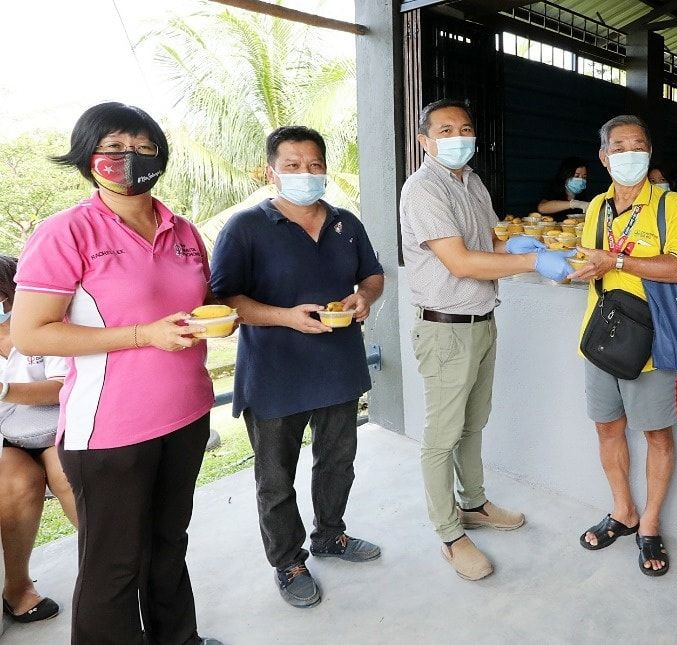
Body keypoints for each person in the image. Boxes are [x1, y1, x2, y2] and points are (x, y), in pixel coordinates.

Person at [11, 102, 224, 645]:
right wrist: (141, 335)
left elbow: (201, 302)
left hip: (186, 416)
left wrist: (217, 318)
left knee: (167, 545)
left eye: (144, 148)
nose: (131, 158)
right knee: (113, 565)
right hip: (108, 431)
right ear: (88, 158)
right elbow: (32, 332)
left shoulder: (182, 230)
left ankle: (179, 639)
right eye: (114, 148)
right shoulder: (66, 233)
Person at [210, 126, 384, 608]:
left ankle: (330, 535)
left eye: (314, 165)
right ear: (271, 171)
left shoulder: (346, 223)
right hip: (274, 373)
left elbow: (372, 275)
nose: (305, 173)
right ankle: (288, 560)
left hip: (338, 367)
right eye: (292, 165)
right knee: (275, 476)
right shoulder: (245, 227)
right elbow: (224, 298)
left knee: (338, 463)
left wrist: (363, 297)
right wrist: (285, 317)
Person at [399, 98, 572, 582]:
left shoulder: (470, 181)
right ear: (425, 141)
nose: (458, 137)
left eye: (466, 128)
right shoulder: (423, 190)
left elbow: (484, 245)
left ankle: (473, 504)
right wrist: (533, 262)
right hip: (445, 327)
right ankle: (450, 534)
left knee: (473, 423)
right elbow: (460, 262)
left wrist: (512, 246)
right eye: (446, 129)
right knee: (441, 436)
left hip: (480, 320)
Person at [569, 115, 677, 577]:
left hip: (650, 340)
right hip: (599, 337)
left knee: (655, 433)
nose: (629, 153)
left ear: (649, 152)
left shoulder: (671, 205)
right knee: (607, 427)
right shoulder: (596, 207)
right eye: (619, 147)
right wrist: (577, 267)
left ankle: (650, 524)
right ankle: (623, 511)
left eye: (638, 144)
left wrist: (617, 259)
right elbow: (593, 264)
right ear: (605, 158)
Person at [0, 256, 76, 625]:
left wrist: (5, 390)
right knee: (15, 483)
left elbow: (62, 387)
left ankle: (114, 570)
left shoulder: (44, 326)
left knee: (67, 473)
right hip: (8, 436)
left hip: (61, 424)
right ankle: (16, 587)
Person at [537, 156, 591, 220]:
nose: (581, 180)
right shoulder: (555, 190)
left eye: (584, 177)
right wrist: (575, 204)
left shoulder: (584, 194)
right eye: (576, 176)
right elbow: (542, 208)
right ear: (566, 175)